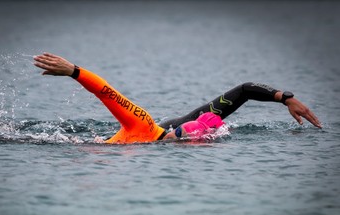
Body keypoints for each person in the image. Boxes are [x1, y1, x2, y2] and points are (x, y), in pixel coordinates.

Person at [32, 52, 321, 144]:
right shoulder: (141, 124)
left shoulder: (179, 132)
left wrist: (285, 98)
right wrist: (74, 71)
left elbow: (244, 90)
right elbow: (108, 93)